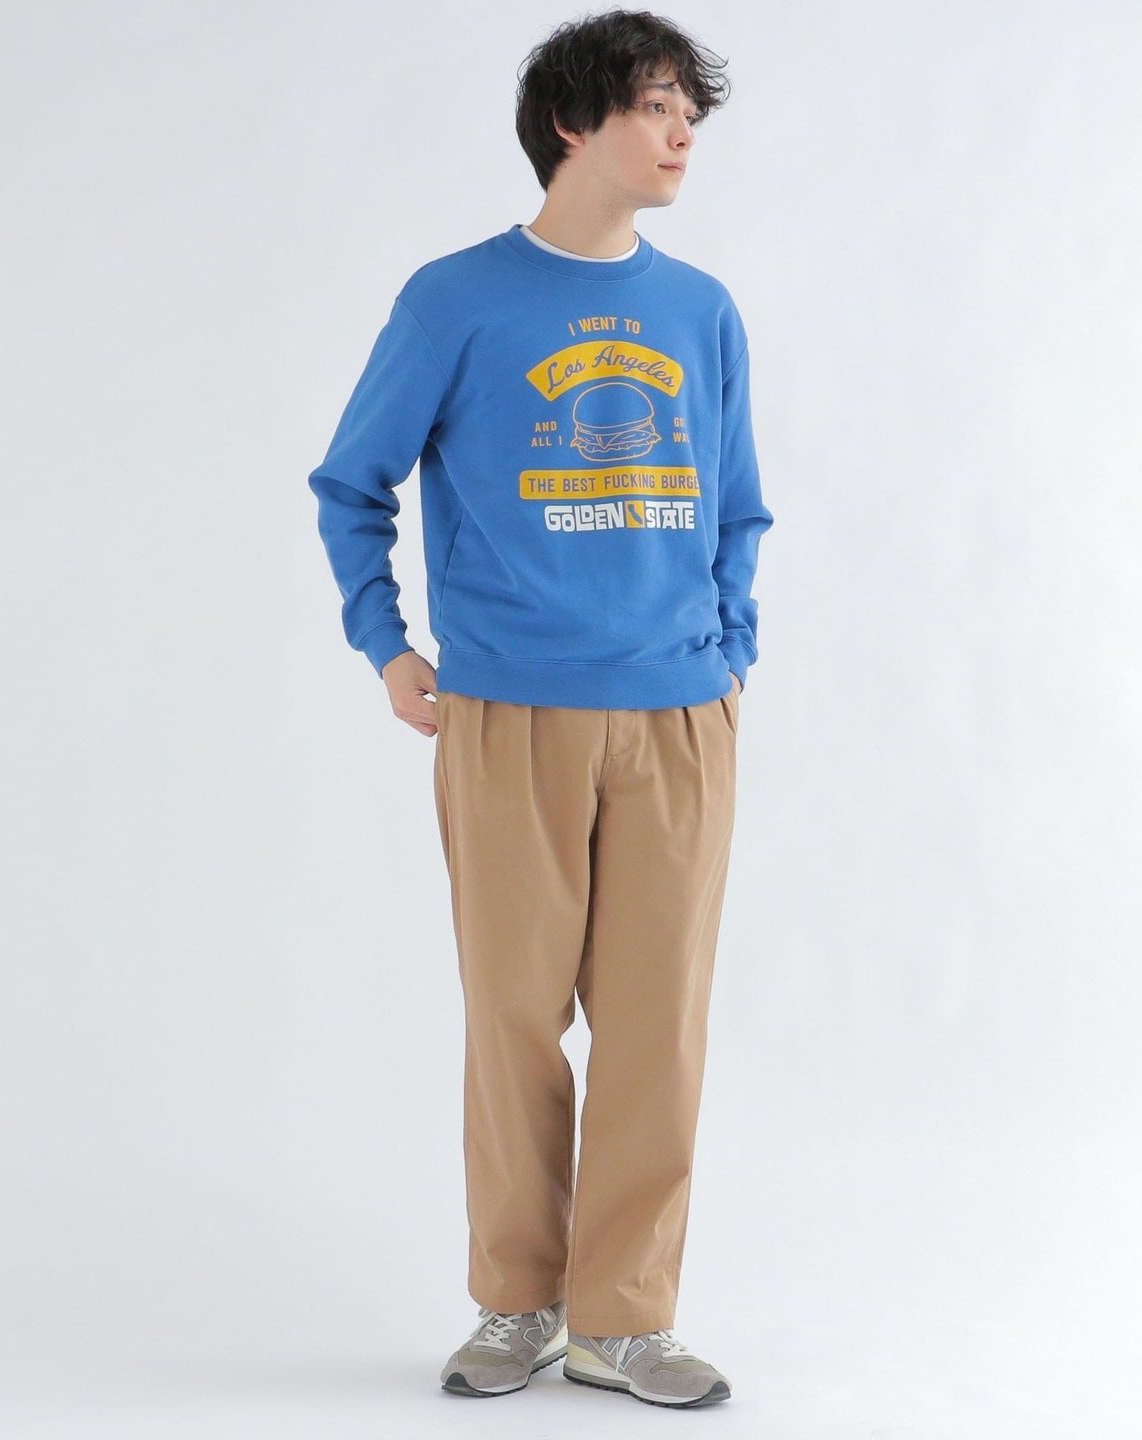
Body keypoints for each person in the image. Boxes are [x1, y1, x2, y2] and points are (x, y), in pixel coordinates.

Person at [308, 8, 773, 1410]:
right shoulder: (456, 300)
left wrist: (728, 650)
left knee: (657, 1026)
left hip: (680, 717)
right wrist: (387, 645)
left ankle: (622, 1320)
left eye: (690, 112)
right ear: (574, 123)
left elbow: (738, 505)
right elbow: (351, 483)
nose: (682, 134)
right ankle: (516, 1301)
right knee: (512, 1018)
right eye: (654, 106)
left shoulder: (701, 310)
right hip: (506, 712)